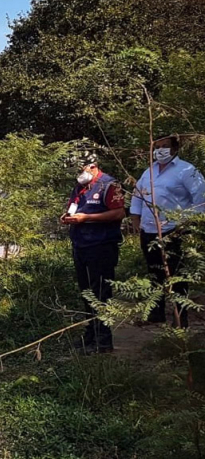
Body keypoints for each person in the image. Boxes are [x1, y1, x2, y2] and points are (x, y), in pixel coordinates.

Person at [130, 135, 205, 328]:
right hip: (149, 230)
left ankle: (180, 318)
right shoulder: (149, 171)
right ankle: (156, 313)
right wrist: (135, 218)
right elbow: (137, 194)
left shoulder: (187, 170)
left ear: (175, 149)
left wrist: (188, 224)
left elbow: (200, 197)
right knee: (154, 272)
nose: (160, 150)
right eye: (157, 147)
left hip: (175, 230)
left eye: (165, 146)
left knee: (177, 274)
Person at [61, 153, 125, 354]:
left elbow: (119, 213)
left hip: (102, 246)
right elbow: (73, 208)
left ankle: (103, 341)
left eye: (80, 168)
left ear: (92, 165)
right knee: (87, 293)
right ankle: (90, 335)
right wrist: (68, 217)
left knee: (100, 293)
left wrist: (87, 217)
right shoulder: (80, 187)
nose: (78, 173)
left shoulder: (110, 185)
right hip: (81, 245)